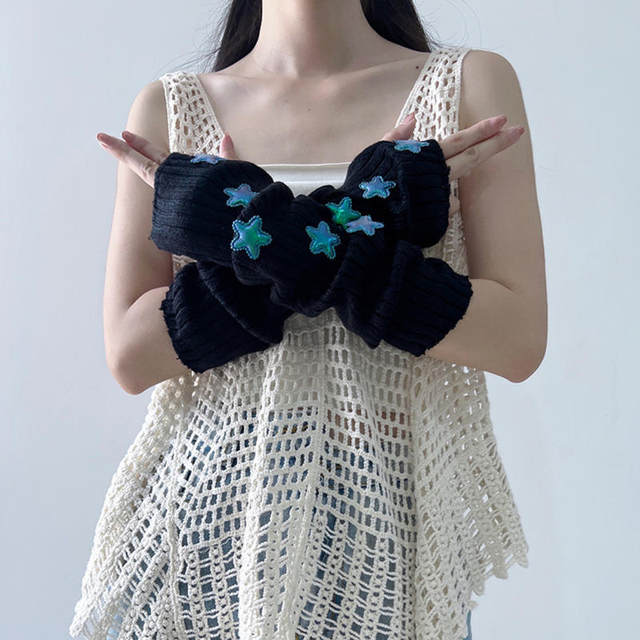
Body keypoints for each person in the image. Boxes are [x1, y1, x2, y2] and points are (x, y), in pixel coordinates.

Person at [70, 2, 545, 639]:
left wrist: (264, 243)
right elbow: (131, 355)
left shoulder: (464, 86)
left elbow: (516, 339)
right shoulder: (170, 107)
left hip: (389, 527)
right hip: (205, 532)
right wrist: (350, 225)